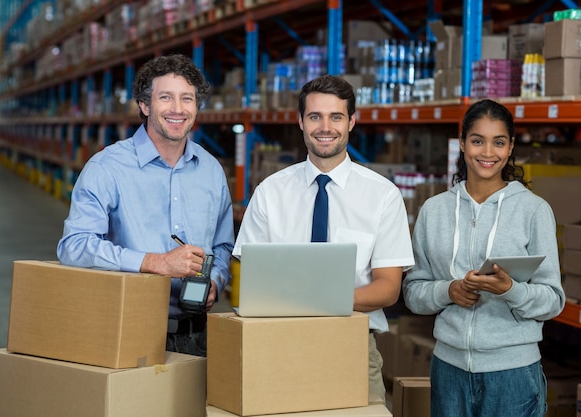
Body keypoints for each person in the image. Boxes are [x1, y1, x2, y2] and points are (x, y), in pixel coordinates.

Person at [232, 74, 414, 401]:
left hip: (353, 343)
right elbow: (253, 279)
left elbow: (388, 288)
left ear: (352, 122)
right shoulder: (269, 193)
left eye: (336, 117)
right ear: (300, 121)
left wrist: (320, 299)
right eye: (315, 116)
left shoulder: (383, 196)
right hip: (278, 342)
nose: (325, 127)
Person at [57, 54, 235, 357]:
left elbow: (222, 245)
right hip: (126, 329)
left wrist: (215, 281)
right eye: (165, 97)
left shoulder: (211, 170)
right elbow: (74, 246)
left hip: (198, 336)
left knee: (197, 407)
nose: (178, 109)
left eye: (187, 99)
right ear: (144, 105)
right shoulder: (107, 168)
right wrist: (156, 263)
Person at [402, 99, 565, 417]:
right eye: (477, 140)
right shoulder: (434, 211)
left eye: (498, 142)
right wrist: (448, 291)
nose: (487, 152)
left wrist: (510, 290)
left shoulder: (534, 210)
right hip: (448, 369)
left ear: (511, 146)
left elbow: (553, 300)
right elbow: (413, 292)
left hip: (514, 373)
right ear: (462, 143)